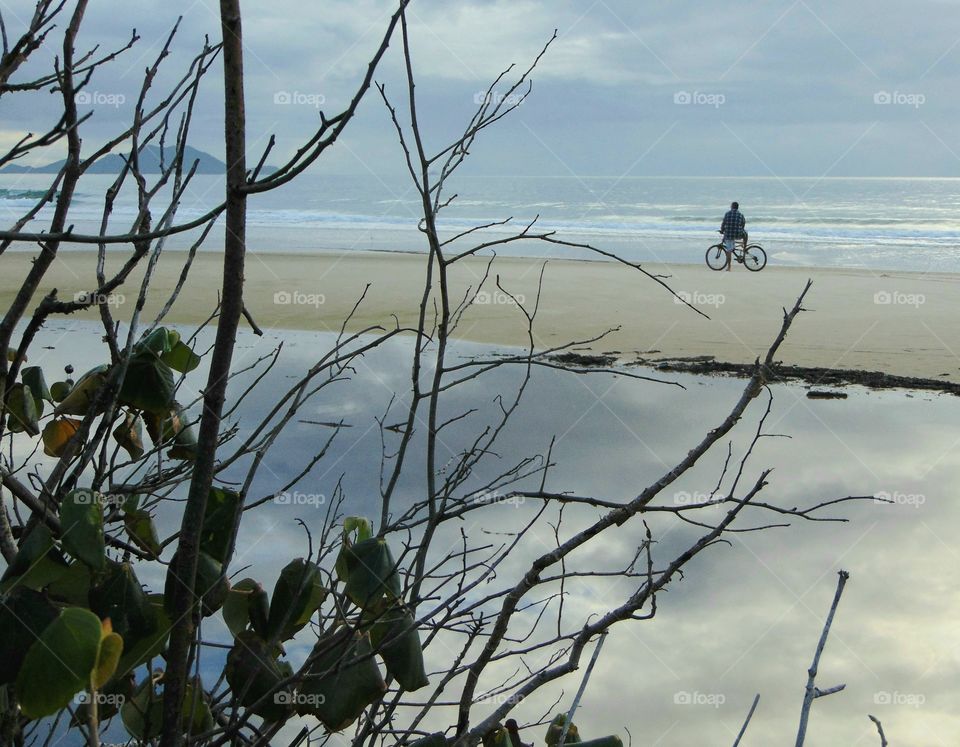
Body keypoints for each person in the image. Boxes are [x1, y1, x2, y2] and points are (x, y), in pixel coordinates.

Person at [719, 201, 747, 271]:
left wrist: (722, 230)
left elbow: (723, 223)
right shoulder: (741, 214)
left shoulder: (727, 214)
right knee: (745, 234)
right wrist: (741, 229)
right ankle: (744, 247)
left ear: (731, 207)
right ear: (737, 207)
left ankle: (729, 267)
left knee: (729, 250)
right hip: (738, 234)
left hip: (728, 234)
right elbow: (743, 223)